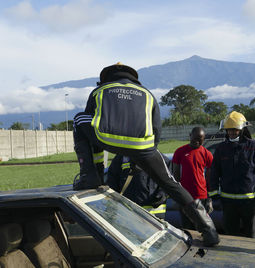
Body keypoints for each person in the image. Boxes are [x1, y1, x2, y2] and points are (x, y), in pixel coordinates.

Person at [72, 62, 219, 246]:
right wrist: (145, 156)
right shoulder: (147, 94)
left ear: (106, 78)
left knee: (79, 121)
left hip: (106, 139)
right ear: (133, 77)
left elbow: (92, 125)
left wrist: (97, 171)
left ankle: (91, 176)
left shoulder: (100, 91)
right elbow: (156, 129)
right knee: (172, 184)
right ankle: (209, 231)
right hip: (143, 146)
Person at [209, 111, 255, 238]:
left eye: (235, 130)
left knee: (251, 235)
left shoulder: (253, 147)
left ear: (242, 129)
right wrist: (214, 196)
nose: (231, 133)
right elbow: (214, 174)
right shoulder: (221, 149)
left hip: (248, 202)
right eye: (229, 130)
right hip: (228, 203)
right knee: (231, 236)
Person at [172, 127, 214, 228]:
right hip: (186, 197)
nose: (197, 141)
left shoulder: (207, 154)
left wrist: (209, 197)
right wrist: (178, 195)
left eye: (200, 139)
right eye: (195, 138)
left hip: (202, 196)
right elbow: (175, 174)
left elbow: (210, 175)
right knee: (188, 227)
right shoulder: (179, 152)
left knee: (203, 227)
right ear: (190, 135)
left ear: (204, 139)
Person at [107, 154, 168, 218]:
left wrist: (162, 195)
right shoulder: (121, 158)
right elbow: (112, 184)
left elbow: (170, 181)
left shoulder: (160, 158)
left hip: (155, 213)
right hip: (128, 212)